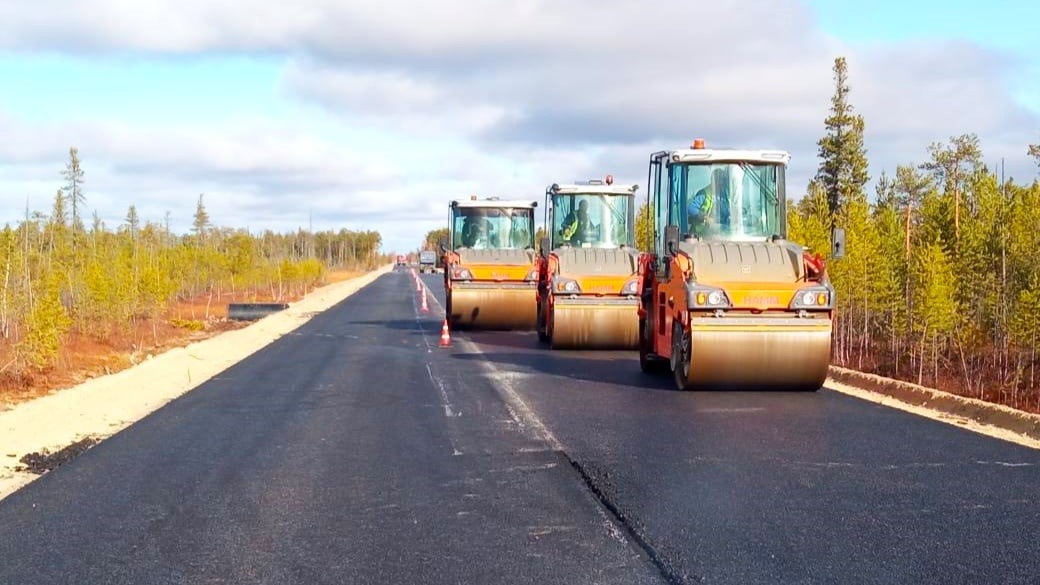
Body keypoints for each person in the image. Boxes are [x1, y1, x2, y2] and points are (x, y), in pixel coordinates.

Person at [687, 168, 730, 235]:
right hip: (699, 235)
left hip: (719, 234)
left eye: (723, 180)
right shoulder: (704, 193)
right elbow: (690, 208)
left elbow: (727, 213)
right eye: (719, 180)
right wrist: (705, 218)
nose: (721, 183)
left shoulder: (725, 196)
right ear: (713, 180)